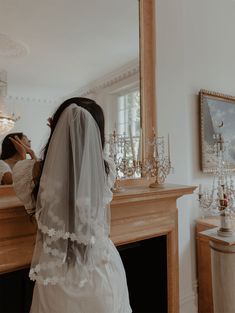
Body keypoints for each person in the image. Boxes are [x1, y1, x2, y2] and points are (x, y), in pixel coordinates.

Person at [12, 97, 132, 313]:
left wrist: (58, 133)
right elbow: (81, 165)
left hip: (56, 277)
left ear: (56, 129)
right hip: (101, 272)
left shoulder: (28, 173)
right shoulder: (106, 171)